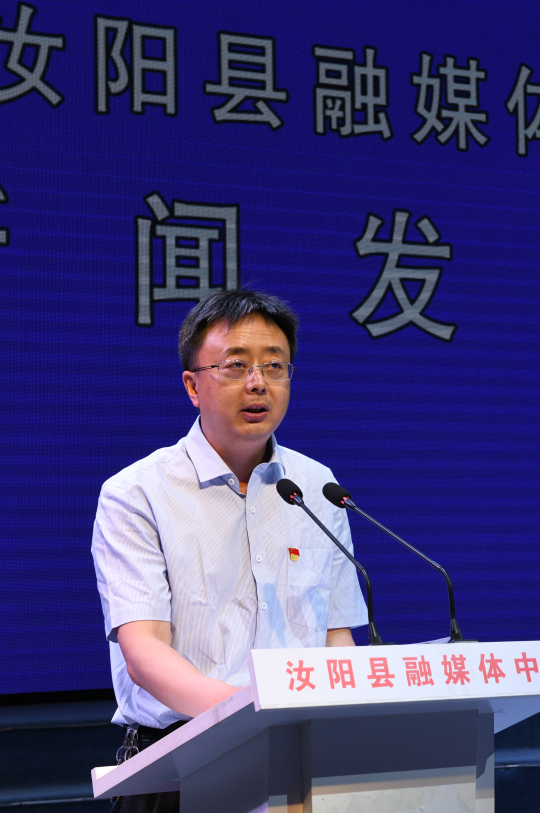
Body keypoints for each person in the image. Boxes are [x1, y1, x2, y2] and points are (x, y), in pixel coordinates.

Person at [91, 289, 367, 813]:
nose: (258, 382)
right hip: (180, 765)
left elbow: (336, 636)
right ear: (193, 385)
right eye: (236, 365)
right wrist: (256, 718)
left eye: (274, 366)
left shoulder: (317, 486)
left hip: (303, 762)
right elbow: (144, 653)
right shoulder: (137, 493)